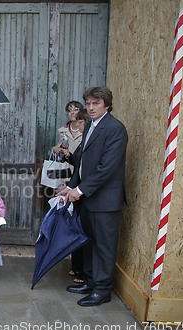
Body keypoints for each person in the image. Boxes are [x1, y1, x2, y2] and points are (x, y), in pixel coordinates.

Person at [57, 86, 128, 307]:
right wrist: (70, 186)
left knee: (104, 246)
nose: (90, 107)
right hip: (87, 198)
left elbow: (106, 168)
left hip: (105, 201)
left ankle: (102, 289)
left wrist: (79, 191)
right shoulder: (91, 127)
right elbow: (81, 161)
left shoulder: (115, 129)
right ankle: (90, 281)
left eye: (95, 103)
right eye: (88, 103)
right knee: (88, 242)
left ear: (107, 104)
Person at [60, 108, 91, 284]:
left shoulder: (88, 139)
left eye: (80, 121)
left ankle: (83, 272)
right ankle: (78, 268)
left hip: (82, 193)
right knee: (77, 229)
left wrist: (75, 188)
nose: (77, 124)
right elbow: (78, 164)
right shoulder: (84, 141)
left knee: (82, 232)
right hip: (75, 190)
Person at [52, 101, 85, 176]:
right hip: (65, 171)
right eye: (70, 110)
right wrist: (55, 149)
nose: (72, 112)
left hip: (80, 171)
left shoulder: (86, 131)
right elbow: (60, 147)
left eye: (76, 110)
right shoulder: (62, 130)